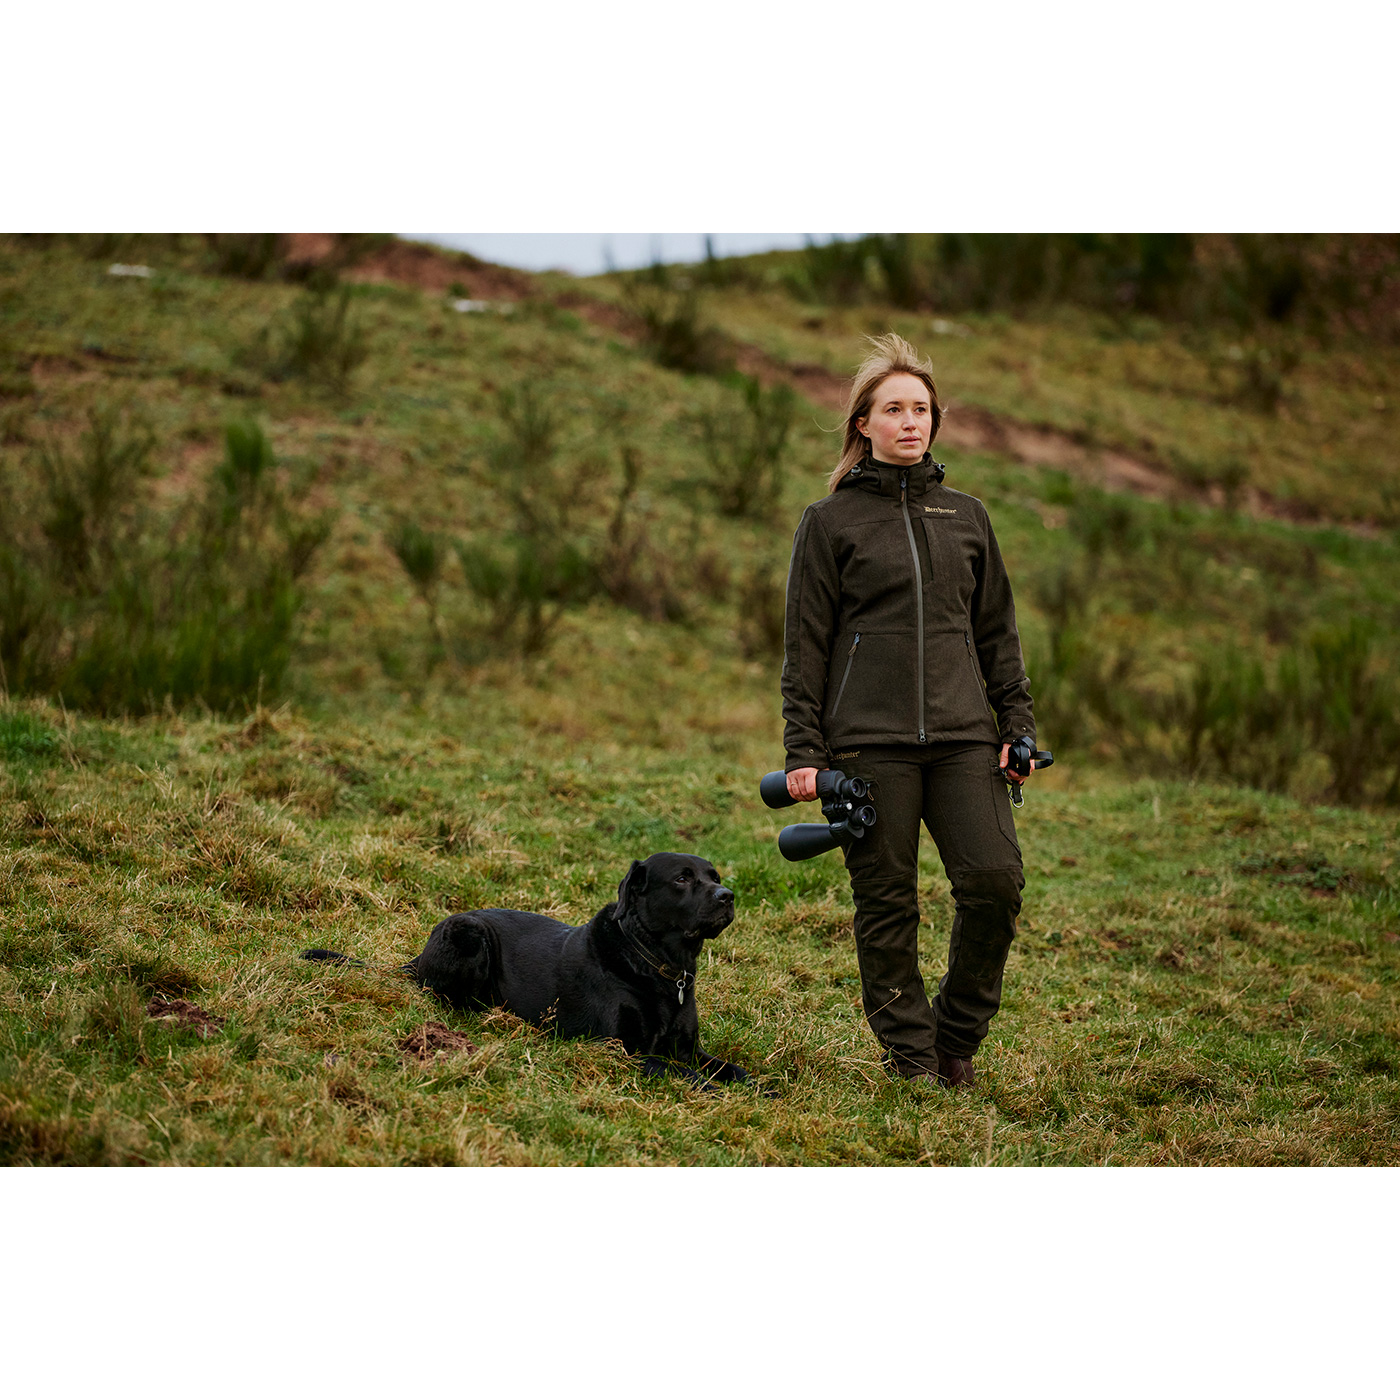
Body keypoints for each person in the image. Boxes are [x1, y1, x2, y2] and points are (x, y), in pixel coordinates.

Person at [781, 332, 1036, 1089]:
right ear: (863, 424)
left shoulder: (968, 517)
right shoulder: (829, 523)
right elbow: (806, 648)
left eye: (920, 409)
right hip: (867, 744)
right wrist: (805, 753)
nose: (909, 422)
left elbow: (997, 635)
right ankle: (913, 1058)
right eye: (893, 409)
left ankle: (955, 1037)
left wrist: (1017, 726)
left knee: (995, 883)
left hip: (965, 738)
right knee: (887, 903)